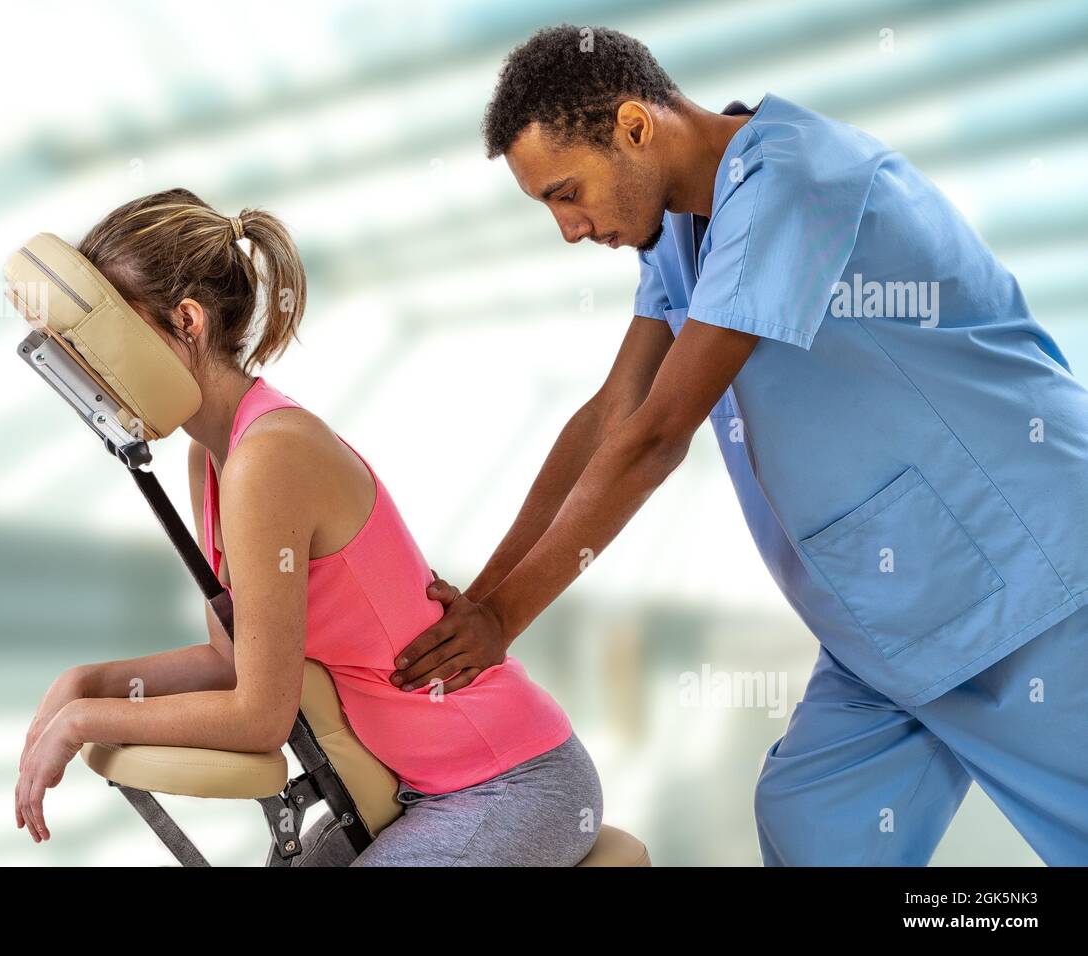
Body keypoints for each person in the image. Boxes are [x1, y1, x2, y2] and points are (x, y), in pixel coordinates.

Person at [389, 24, 1088, 865]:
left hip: (1031, 580)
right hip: (885, 619)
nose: (569, 229)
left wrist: (505, 619)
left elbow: (654, 439)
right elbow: (615, 410)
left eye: (566, 192)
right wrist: (480, 600)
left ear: (634, 127)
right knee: (813, 828)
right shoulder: (678, 231)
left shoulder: (793, 181)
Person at [13, 188, 602, 866]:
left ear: (188, 322)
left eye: (108, 342)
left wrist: (86, 721)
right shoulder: (214, 457)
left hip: (507, 784)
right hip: (419, 790)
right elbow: (234, 660)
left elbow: (259, 715)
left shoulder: (269, 458)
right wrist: (89, 683)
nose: (96, 373)